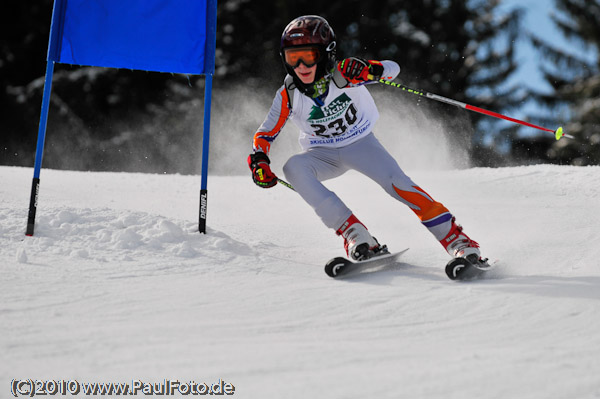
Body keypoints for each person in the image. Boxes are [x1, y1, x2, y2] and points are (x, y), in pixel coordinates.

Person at [247, 15, 483, 264]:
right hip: (322, 154)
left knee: (398, 184)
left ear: (326, 54)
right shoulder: (288, 94)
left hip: (361, 144)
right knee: (293, 168)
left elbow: (393, 70)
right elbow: (265, 133)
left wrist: (369, 69)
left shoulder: (345, 74)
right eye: (293, 58)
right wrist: (259, 160)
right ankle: (356, 235)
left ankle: (458, 241)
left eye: (309, 56)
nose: (301, 66)